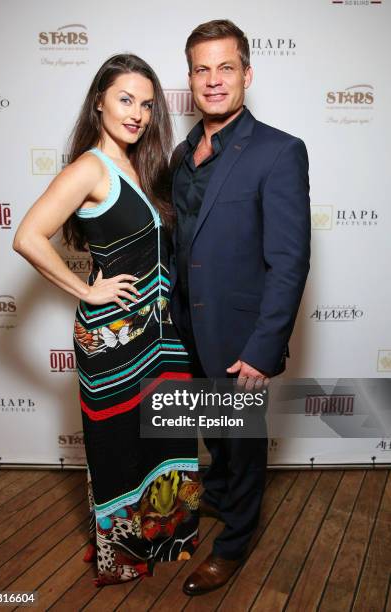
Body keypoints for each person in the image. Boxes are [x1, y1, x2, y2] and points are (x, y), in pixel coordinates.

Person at [13, 54, 200, 587]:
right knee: (119, 445)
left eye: (146, 104)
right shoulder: (90, 167)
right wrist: (86, 290)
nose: (137, 113)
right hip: (113, 338)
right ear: (99, 100)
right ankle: (122, 554)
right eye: (125, 99)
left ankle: (166, 541)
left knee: (168, 433)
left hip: (163, 333)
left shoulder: (142, 165)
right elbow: (27, 236)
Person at [169, 20, 311, 595]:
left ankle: (234, 543)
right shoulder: (182, 152)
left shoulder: (279, 151)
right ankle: (222, 497)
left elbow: (289, 261)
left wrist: (262, 349)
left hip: (241, 334)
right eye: (202, 69)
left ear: (247, 74)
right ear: (191, 80)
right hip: (187, 327)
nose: (214, 80)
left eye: (225, 67)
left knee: (244, 441)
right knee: (214, 431)